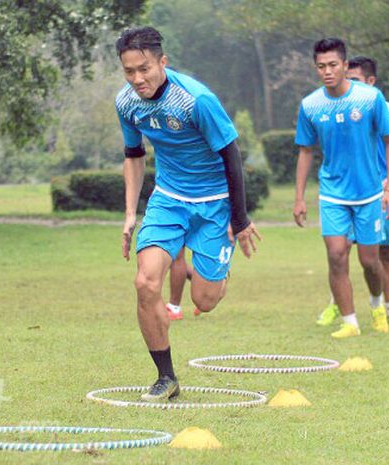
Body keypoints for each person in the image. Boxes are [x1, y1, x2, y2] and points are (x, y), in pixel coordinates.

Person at [115, 26, 261, 400]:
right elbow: (134, 156)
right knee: (146, 283)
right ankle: (167, 378)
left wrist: (239, 219)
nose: (137, 79)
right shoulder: (127, 102)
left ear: (162, 61)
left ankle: (211, 270)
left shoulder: (196, 100)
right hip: (168, 200)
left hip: (215, 204)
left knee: (205, 301)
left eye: (144, 69)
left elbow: (231, 154)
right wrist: (131, 212)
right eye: (129, 71)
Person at [293, 38, 389, 339]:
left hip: (368, 194)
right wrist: (299, 198)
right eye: (321, 66)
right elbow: (305, 151)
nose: (327, 71)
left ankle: (377, 305)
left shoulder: (370, 98)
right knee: (337, 255)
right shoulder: (311, 105)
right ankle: (350, 322)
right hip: (332, 193)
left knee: (369, 261)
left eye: (333, 65)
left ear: (344, 65)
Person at [316, 56, 389, 328]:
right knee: (339, 251)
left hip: (381, 192)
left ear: (371, 81)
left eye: (356, 79)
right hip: (349, 192)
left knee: (384, 252)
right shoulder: (339, 110)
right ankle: (337, 307)